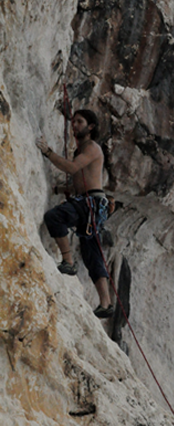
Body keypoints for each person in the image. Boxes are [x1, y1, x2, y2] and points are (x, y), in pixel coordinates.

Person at [36, 109, 113, 318]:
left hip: (90, 203)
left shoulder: (92, 148)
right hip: (90, 203)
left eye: (79, 121)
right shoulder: (84, 150)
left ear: (91, 127)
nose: (74, 125)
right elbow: (81, 180)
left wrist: (48, 152)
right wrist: (60, 190)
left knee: (55, 217)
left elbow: (71, 169)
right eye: (73, 121)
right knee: (92, 254)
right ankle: (106, 303)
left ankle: (68, 262)